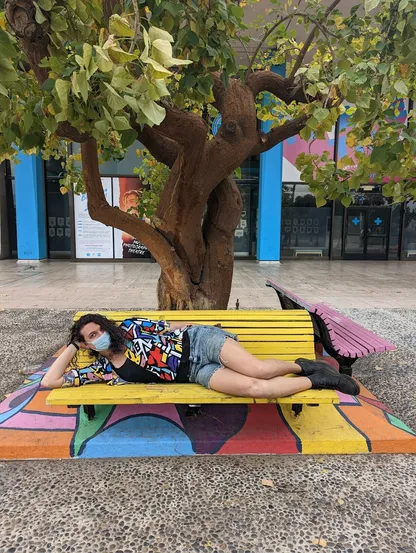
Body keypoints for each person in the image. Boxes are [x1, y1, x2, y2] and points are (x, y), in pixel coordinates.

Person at [42, 314, 360, 398]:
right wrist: (72, 344)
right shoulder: (104, 369)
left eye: (100, 330)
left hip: (200, 344)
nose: (100, 337)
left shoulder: (129, 328)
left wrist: (198, 328)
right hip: (195, 374)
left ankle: (301, 365)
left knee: (259, 370)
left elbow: (168, 327)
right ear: (87, 345)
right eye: (92, 337)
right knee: (256, 389)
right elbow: (50, 382)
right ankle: (318, 380)